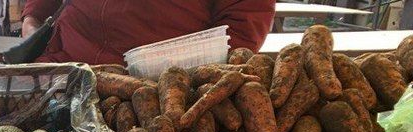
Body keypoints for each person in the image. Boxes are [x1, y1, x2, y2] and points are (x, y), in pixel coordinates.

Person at [22, 0, 276, 65]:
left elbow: (242, 31)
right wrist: (32, 19)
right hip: (61, 69)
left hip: (148, 102)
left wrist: (177, 89)